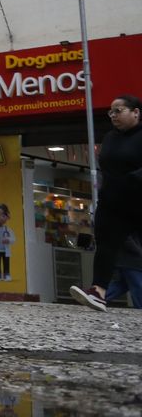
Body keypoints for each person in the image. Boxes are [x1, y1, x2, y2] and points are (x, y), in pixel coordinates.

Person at [72, 95, 142, 311]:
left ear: (136, 112)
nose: (113, 116)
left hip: (138, 199)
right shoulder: (110, 137)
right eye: (111, 112)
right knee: (106, 245)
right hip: (113, 201)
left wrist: (132, 179)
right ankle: (99, 292)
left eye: (118, 111)